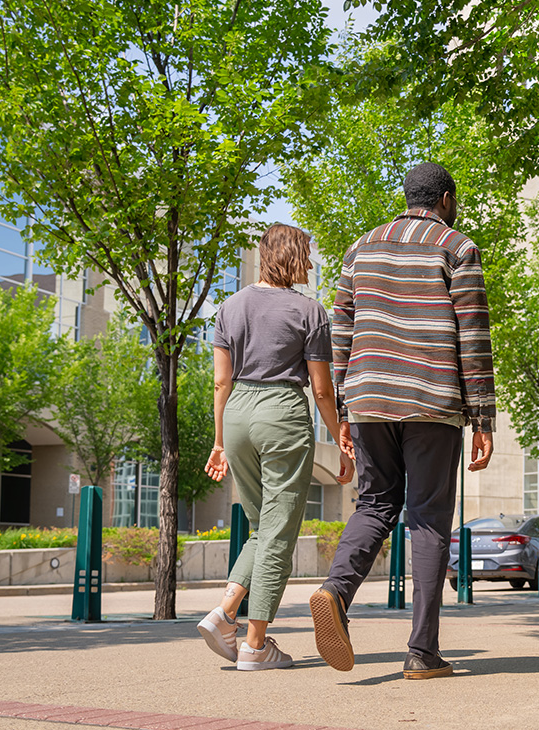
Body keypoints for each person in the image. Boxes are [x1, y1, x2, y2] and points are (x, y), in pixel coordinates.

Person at [309, 162, 495, 680]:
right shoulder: (457, 247)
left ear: (407, 196)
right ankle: (421, 653)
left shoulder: (358, 249)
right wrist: (483, 418)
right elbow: (473, 339)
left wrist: (344, 408)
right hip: (431, 401)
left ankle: (335, 591)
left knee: (376, 502)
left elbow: (338, 337)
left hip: (368, 398)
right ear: (447, 199)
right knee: (429, 518)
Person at [197, 224, 352, 671]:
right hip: (283, 412)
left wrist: (220, 441)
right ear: (291, 257)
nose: (307, 263)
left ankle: (224, 612)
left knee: (262, 527)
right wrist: (341, 436)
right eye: (304, 254)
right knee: (279, 534)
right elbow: (322, 390)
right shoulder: (309, 310)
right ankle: (254, 644)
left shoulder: (229, 306)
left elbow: (221, 380)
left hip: (238, 414)